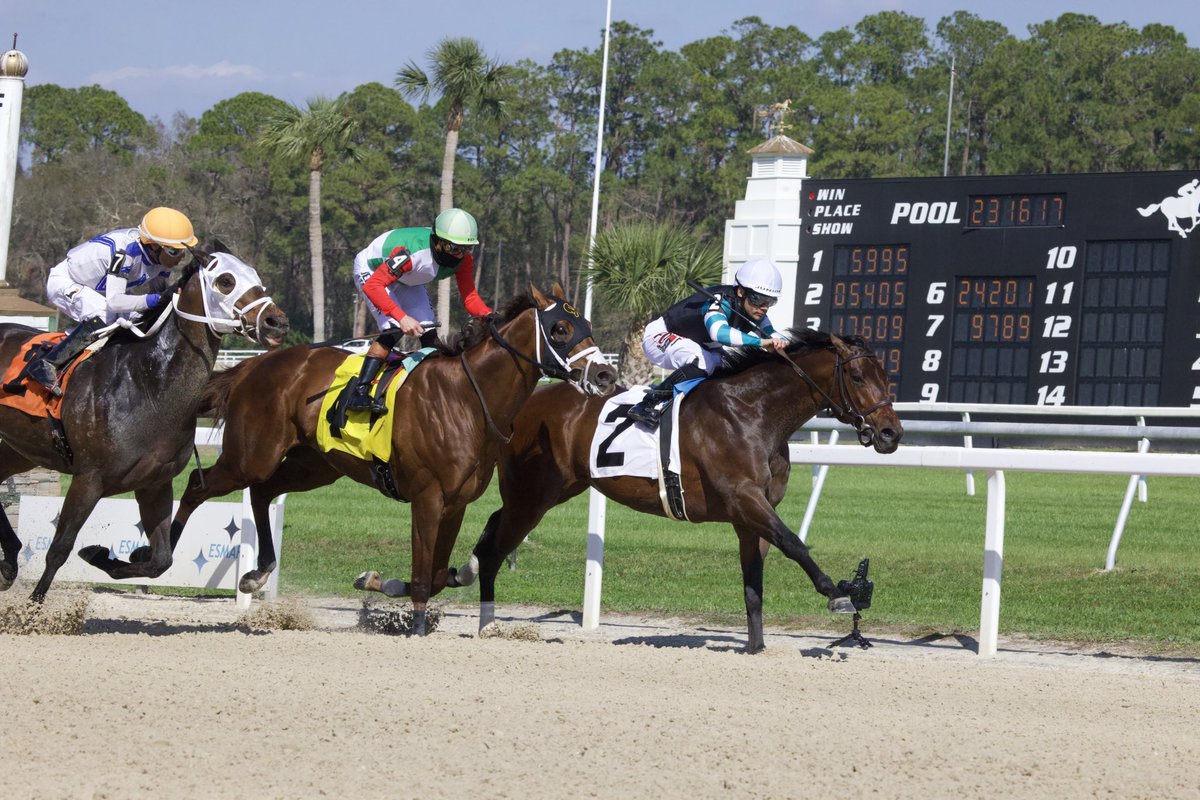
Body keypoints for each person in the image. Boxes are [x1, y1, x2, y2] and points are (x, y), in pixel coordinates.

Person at [28, 206, 197, 395]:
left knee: (140, 316)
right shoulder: (124, 253)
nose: (181, 258)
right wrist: (157, 299)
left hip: (99, 290)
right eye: (175, 252)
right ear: (154, 245)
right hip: (65, 281)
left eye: (184, 251)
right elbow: (115, 302)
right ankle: (47, 364)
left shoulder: (160, 259)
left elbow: (159, 300)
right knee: (102, 314)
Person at [347, 208, 493, 413]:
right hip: (373, 272)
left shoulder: (464, 260)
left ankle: (433, 389)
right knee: (394, 327)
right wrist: (402, 317)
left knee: (428, 333)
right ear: (438, 241)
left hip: (406, 279)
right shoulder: (411, 252)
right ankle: (358, 393)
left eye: (466, 248)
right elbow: (374, 286)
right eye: (454, 248)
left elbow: (470, 298)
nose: (460, 254)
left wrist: (490, 316)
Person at [626, 258, 789, 427]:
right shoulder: (720, 301)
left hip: (698, 344)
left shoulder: (756, 312)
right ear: (741, 292)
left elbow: (776, 336)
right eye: (758, 299)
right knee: (703, 361)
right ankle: (647, 403)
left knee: (732, 368)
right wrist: (761, 343)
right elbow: (719, 333)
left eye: (770, 301)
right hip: (660, 336)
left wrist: (786, 346)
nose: (764, 307)